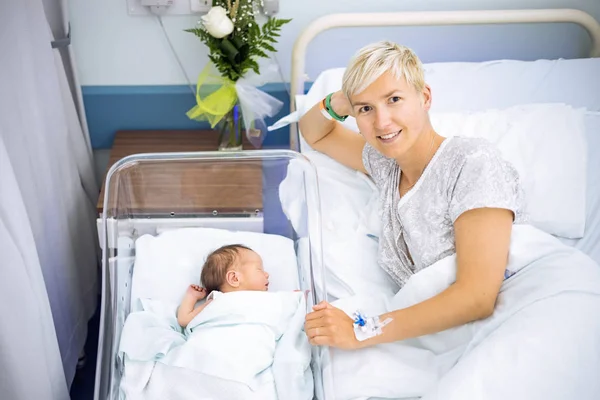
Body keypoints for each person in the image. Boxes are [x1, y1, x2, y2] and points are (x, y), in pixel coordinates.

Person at [301, 40, 525, 350]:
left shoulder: (472, 162)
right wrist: (343, 100)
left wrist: (362, 331)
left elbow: (478, 297)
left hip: (522, 316)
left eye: (393, 99)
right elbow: (315, 132)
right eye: (366, 109)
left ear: (425, 97)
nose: (382, 122)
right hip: (460, 337)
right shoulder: (385, 164)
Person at [177, 244, 270, 328]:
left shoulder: (267, 300)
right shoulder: (216, 300)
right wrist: (191, 296)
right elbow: (184, 320)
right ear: (234, 278)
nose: (267, 274)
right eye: (260, 269)